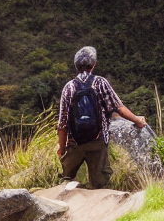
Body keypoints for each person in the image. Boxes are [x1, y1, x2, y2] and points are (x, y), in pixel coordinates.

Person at [56, 46, 147, 189]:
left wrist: (61, 148)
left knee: (66, 180)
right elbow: (119, 108)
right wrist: (137, 120)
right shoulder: (100, 83)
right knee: (99, 184)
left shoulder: (69, 87)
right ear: (93, 65)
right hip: (97, 142)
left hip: (75, 143)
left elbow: (62, 124)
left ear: (76, 66)